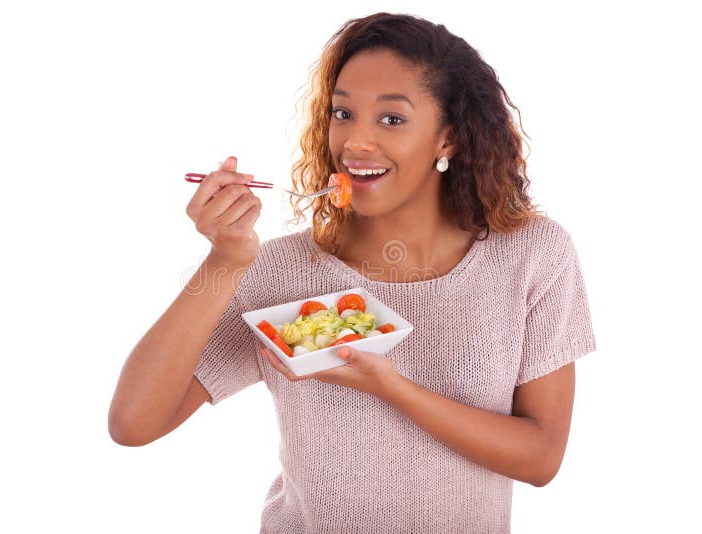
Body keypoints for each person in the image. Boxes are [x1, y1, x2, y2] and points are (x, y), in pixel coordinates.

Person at [108, 12, 597, 533]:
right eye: (343, 114)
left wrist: (393, 388)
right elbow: (134, 423)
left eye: (391, 119)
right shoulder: (279, 268)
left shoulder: (532, 256)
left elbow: (541, 457)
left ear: (448, 138)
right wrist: (224, 262)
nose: (356, 143)